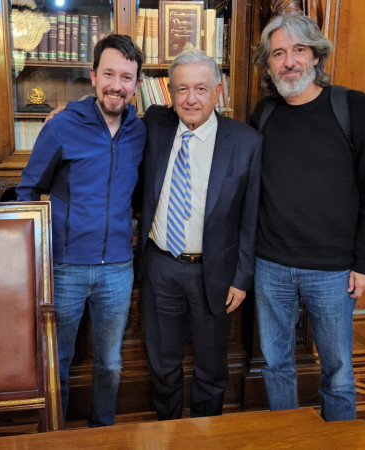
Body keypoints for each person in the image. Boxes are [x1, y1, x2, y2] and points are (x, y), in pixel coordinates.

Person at [248, 14, 365, 421]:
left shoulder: (352, 106)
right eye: (278, 53)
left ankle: (339, 441)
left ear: (315, 56)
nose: (289, 61)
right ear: (268, 64)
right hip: (270, 265)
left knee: (338, 372)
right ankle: (287, 439)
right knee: (275, 366)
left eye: (298, 50)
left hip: (333, 271)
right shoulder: (264, 113)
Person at [15, 34, 145, 427]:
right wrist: (33, 258)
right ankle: (54, 433)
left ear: (137, 84)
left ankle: (101, 431)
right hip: (65, 269)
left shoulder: (141, 131)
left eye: (126, 77)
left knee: (110, 363)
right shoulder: (61, 126)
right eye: (109, 74)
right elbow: (27, 190)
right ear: (93, 75)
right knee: (57, 360)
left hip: (118, 270)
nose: (116, 85)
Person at [138, 49, 262, 420]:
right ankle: (168, 432)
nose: (191, 99)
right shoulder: (155, 124)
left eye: (201, 89)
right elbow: (110, 105)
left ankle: (206, 436)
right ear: (170, 94)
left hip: (215, 272)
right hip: (160, 266)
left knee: (210, 368)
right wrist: (69, 110)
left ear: (218, 92)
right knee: (163, 363)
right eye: (182, 89)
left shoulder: (245, 142)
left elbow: (250, 217)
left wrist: (241, 277)